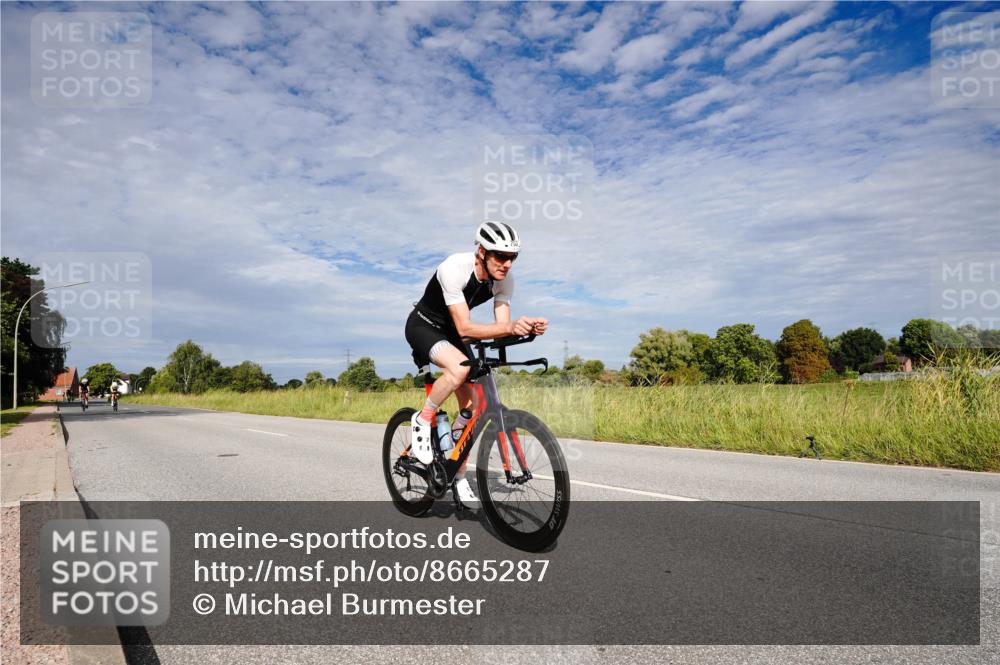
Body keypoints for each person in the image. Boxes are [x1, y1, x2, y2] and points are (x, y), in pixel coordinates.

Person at [404, 221, 548, 505]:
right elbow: (466, 329)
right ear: (481, 252)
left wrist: (526, 327)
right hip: (425, 326)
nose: (507, 264)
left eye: (513, 258)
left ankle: (455, 473)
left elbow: (502, 328)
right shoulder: (454, 268)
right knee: (458, 369)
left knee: (473, 408)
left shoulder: (505, 280)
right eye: (501, 256)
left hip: (455, 333)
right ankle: (423, 419)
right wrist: (511, 327)